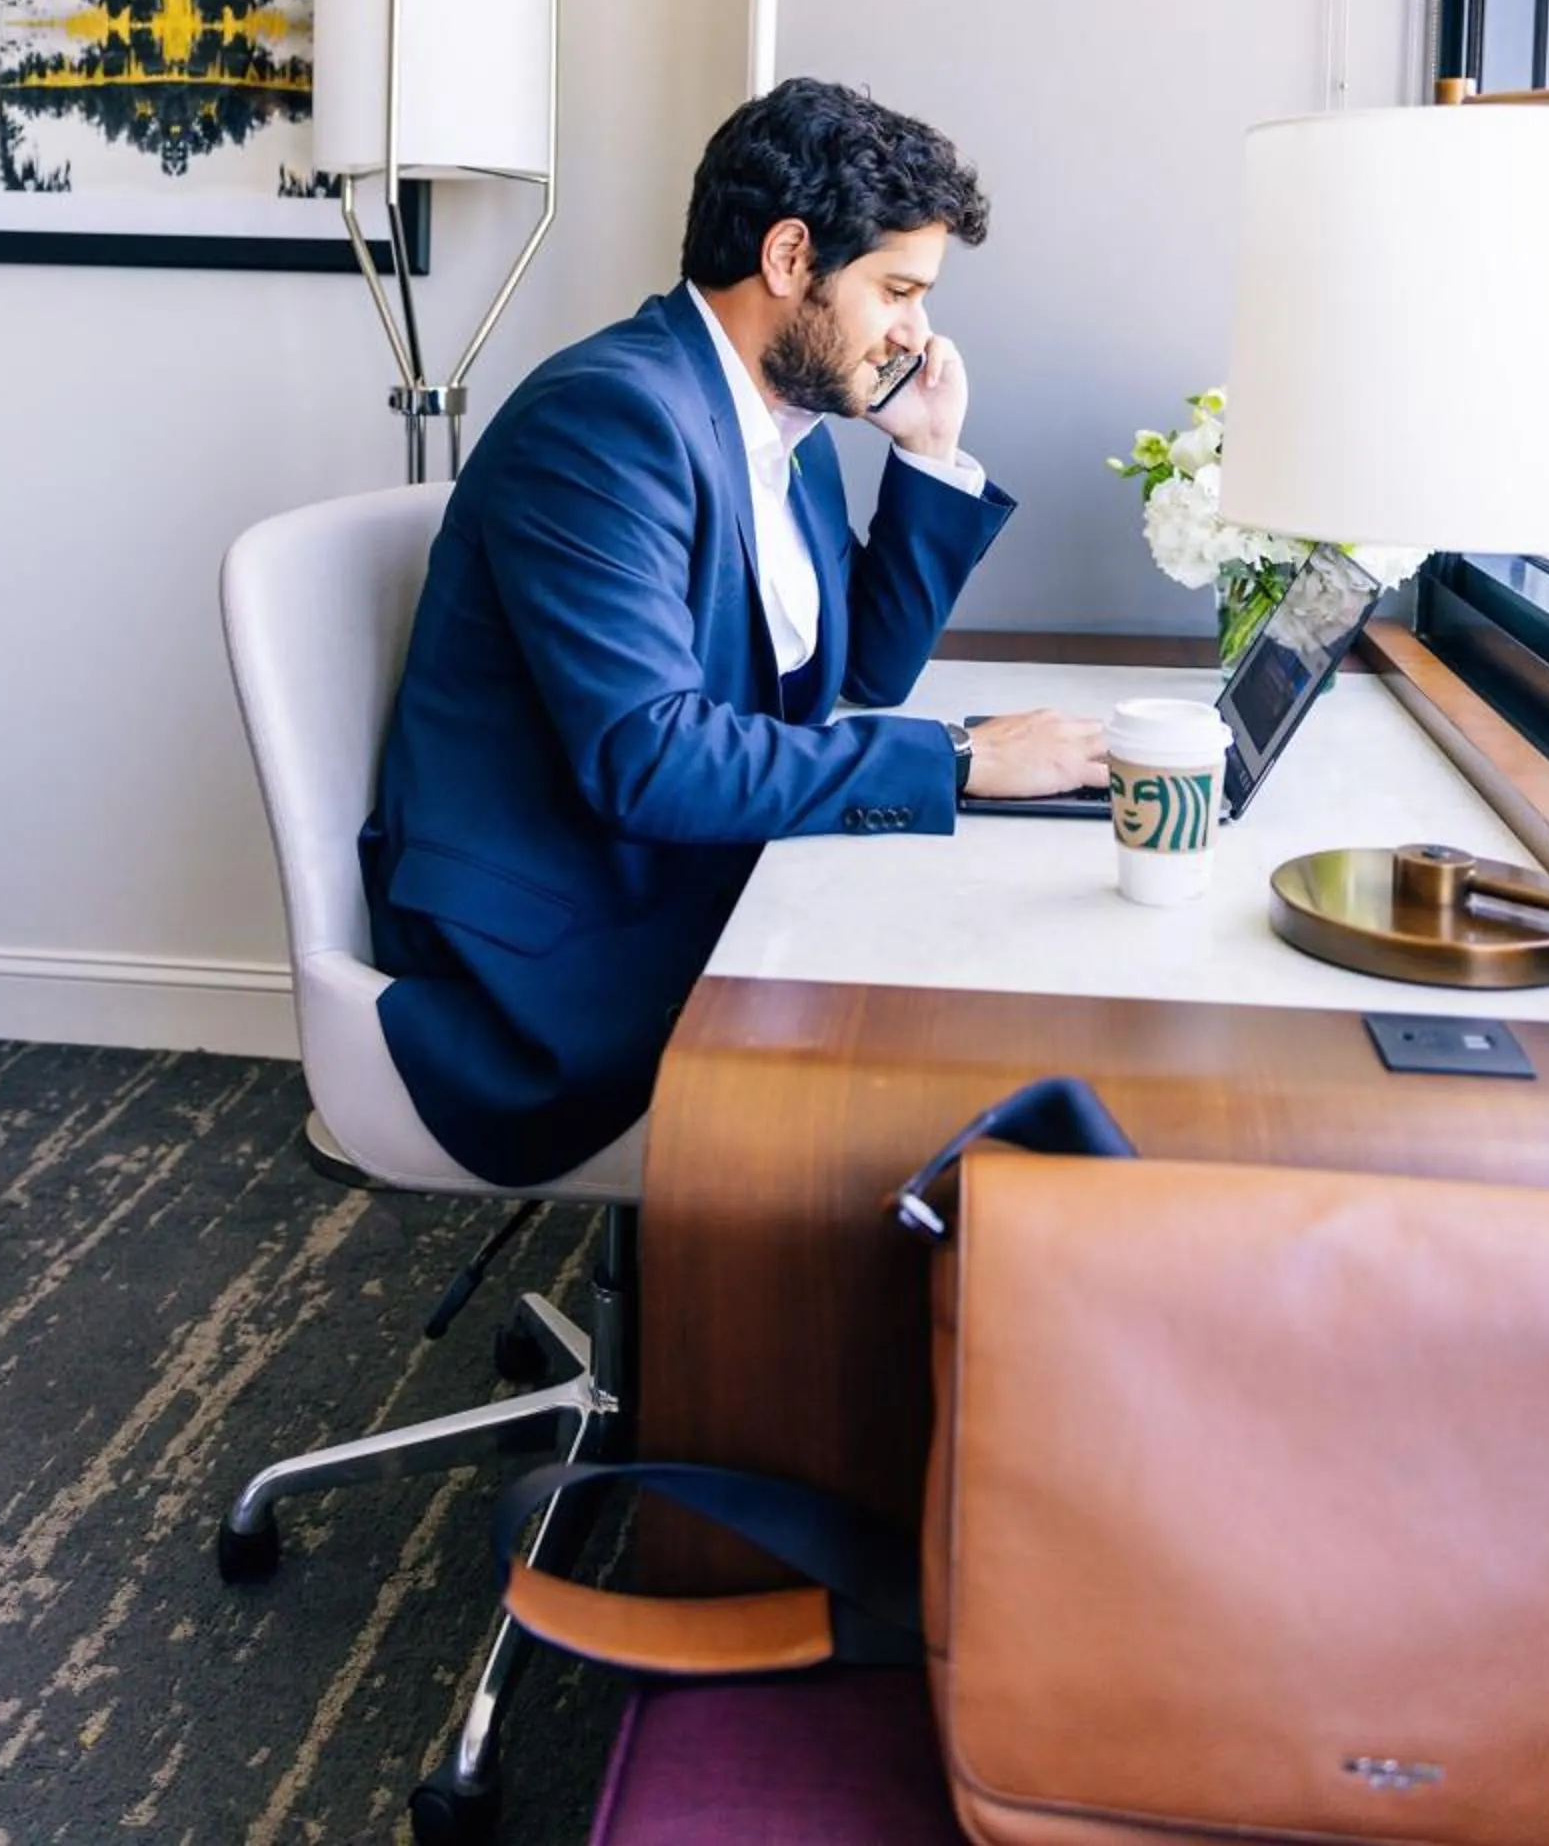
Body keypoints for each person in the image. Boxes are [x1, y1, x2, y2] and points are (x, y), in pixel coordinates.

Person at [360, 77, 1107, 1184]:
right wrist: (963, 760)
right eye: (897, 289)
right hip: (549, 957)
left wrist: (923, 455)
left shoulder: (782, 426)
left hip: (674, 873)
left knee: (988, 985)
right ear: (790, 257)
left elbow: (870, 668)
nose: (917, 332)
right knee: (928, 1055)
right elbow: (649, 759)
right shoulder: (609, 420)